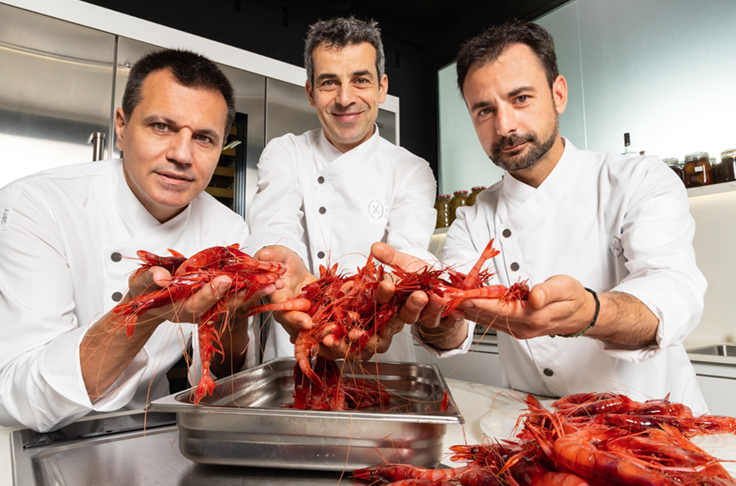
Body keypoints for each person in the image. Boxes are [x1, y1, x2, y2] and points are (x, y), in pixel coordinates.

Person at [374, 21, 708, 413]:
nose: (505, 126)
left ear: (558, 94)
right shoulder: (473, 219)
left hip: (656, 422)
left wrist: (589, 313)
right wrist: (435, 311)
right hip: (542, 433)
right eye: (485, 110)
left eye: (520, 99)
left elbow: (673, 291)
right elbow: (454, 333)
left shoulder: (638, 179)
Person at [0, 49, 281, 433]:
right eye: (162, 126)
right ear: (121, 124)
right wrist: (144, 310)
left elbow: (218, 382)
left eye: (203, 138)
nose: (182, 155)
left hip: (142, 431)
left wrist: (233, 321)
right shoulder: (39, 205)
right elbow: (21, 396)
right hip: (26, 439)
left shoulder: (229, 231)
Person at [246, 17, 437, 363]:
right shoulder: (285, 152)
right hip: (294, 357)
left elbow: (407, 252)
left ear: (381, 87)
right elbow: (273, 226)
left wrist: (385, 293)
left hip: (383, 359)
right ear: (310, 93)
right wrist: (284, 268)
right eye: (329, 83)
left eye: (360, 80)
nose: (345, 98)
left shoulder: (411, 169)